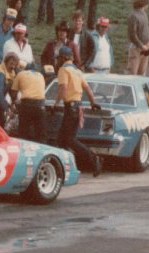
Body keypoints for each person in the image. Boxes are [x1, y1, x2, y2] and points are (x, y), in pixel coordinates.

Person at [54, 46, 102, 177]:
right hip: (78, 106)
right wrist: (93, 103)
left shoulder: (63, 70)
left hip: (70, 107)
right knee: (62, 140)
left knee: (68, 140)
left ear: (63, 58)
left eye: (59, 58)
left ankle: (93, 158)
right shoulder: (77, 71)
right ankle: (63, 169)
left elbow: (63, 89)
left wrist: (55, 104)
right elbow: (88, 89)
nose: (58, 61)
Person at [10, 63, 47, 144]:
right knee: (40, 134)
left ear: (25, 69)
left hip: (27, 105)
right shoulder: (40, 75)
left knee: (23, 132)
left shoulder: (21, 74)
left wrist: (14, 103)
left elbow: (13, 92)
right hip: (41, 105)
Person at [127, 0, 149, 76]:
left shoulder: (144, 14)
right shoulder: (133, 15)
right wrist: (141, 46)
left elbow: (146, 29)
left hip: (146, 46)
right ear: (144, 4)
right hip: (136, 48)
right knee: (132, 72)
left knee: (142, 71)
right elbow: (132, 35)